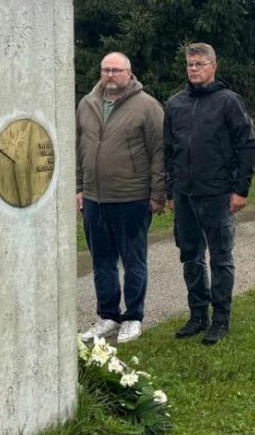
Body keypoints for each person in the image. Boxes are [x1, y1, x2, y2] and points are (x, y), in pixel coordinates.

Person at [163, 43, 255, 345]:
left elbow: (246, 146)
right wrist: (169, 191)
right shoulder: (175, 104)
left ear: (213, 66)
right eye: (190, 64)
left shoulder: (228, 102)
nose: (194, 69)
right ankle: (197, 314)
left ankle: (220, 318)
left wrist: (240, 189)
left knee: (220, 257)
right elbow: (168, 151)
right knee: (190, 256)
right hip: (184, 193)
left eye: (200, 64)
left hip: (218, 193)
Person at [77, 52, 165, 344]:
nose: (110, 75)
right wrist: (79, 188)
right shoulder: (87, 104)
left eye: (116, 70)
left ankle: (133, 317)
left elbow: (159, 153)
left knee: (133, 260)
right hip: (94, 198)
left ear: (129, 73)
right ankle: (108, 315)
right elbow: (80, 150)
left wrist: (158, 194)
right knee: (102, 261)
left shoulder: (147, 107)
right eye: (106, 70)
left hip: (132, 198)